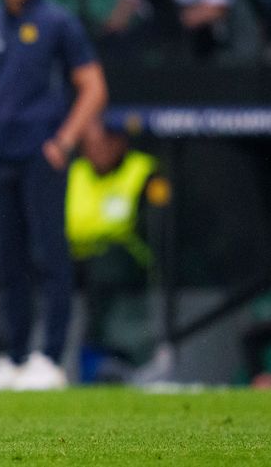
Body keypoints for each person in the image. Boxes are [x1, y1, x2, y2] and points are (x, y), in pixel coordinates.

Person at [0, 0, 107, 391]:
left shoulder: (59, 22)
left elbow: (94, 87)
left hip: (42, 155)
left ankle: (52, 358)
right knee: (8, 260)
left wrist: (63, 142)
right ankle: (16, 356)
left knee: (50, 256)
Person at [66, 119, 165, 381]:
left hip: (128, 259)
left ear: (119, 142)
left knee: (107, 267)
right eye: (89, 145)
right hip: (79, 258)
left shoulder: (142, 170)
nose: (95, 151)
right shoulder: (76, 171)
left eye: (101, 144)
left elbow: (154, 224)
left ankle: (115, 357)